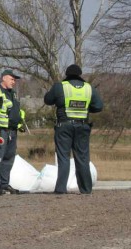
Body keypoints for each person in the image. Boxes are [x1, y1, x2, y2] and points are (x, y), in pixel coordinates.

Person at [43, 64, 104, 194]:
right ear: (80, 74)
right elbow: (99, 106)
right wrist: (87, 108)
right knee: (82, 158)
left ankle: (61, 189)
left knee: (63, 157)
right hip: (83, 126)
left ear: (67, 75)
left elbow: (47, 100)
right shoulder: (89, 88)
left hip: (64, 126)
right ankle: (86, 189)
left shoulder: (60, 86)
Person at [0, 69, 25, 195]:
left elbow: (15, 112)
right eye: (12, 79)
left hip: (12, 131)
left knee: (9, 158)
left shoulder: (12, 93)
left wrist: (19, 124)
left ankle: (4, 183)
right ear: (4, 78)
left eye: (15, 80)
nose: (14, 82)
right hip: (1, 131)